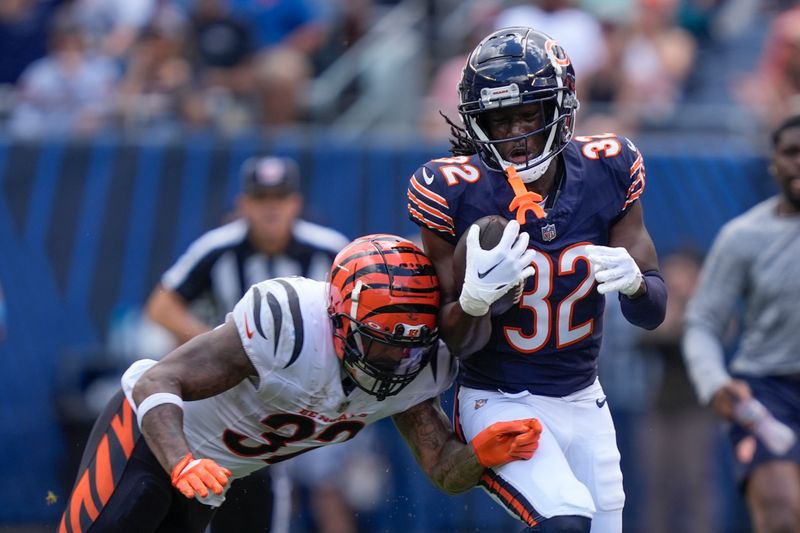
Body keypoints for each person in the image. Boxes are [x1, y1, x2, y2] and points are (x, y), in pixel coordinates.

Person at [58, 234, 543, 533]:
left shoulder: (420, 368)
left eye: (412, 345)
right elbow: (158, 380)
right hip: (151, 440)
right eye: (382, 343)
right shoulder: (288, 325)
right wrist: (181, 460)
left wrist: (478, 455)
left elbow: (440, 469)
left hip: (215, 475)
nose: (398, 359)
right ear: (339, 320)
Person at [407, 27, 667, 532]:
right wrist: (475, 301)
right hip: (496, 396)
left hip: (583, 396)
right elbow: (451, 341)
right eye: (501, 121)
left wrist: (637, 283)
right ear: (479, 123)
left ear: (561, 111)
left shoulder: (608, 169)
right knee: (564, 520)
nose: (518, 135)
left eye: (530, 115)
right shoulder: (454, 191)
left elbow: (652, 312)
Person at [144, 154, 348, 532]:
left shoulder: (329, 249)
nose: (271, 209)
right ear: (243, 205)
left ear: (295, 204)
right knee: (224, 485)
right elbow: (161, 306)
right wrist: (216, 349)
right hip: (234, 392)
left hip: (317, 394)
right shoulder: (218, 249)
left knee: (325, 485)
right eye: (261, 199)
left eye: (279, 199)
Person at [682, 114, 800, 533]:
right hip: (767, 394)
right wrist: (714, 381)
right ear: (773, 163)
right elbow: (702, 321)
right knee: (782, 515)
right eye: (791, 153)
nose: (799, 163)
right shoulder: (743, 237)